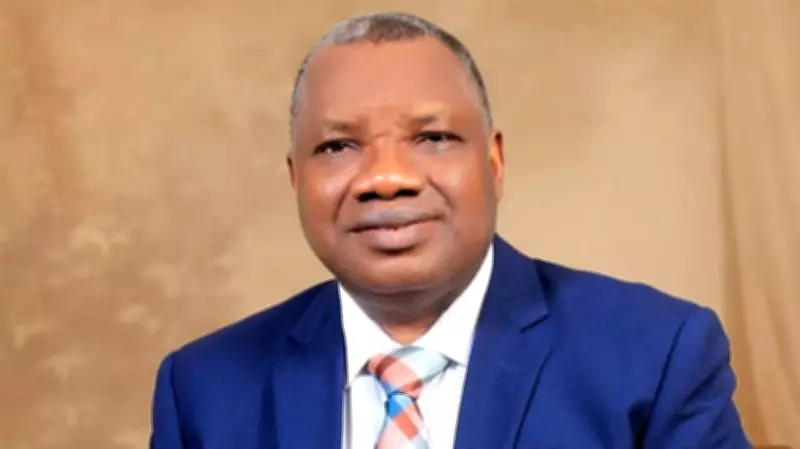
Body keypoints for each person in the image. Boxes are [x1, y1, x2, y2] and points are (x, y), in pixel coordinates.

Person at [149, 11, 752, 449]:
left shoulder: (656, 356)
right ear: (295, 179)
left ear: (494, 162)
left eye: (433, 138)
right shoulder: (203, 388)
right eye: (337, 146)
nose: (386, 179)